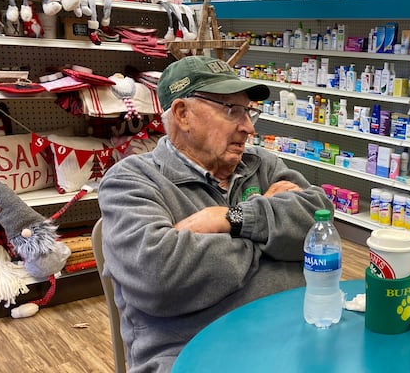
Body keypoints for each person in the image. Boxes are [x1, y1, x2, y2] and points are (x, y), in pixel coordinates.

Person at [98, 55, 333, 372]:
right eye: (232, 110)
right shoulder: (131, 181)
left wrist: (230, 220)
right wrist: (271, 237)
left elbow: (320, 223)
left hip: (294, 337)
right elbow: (158, 275)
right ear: (183, 114)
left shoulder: (261, 164)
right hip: (192, 356)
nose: (248, 127)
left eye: (249, 112)